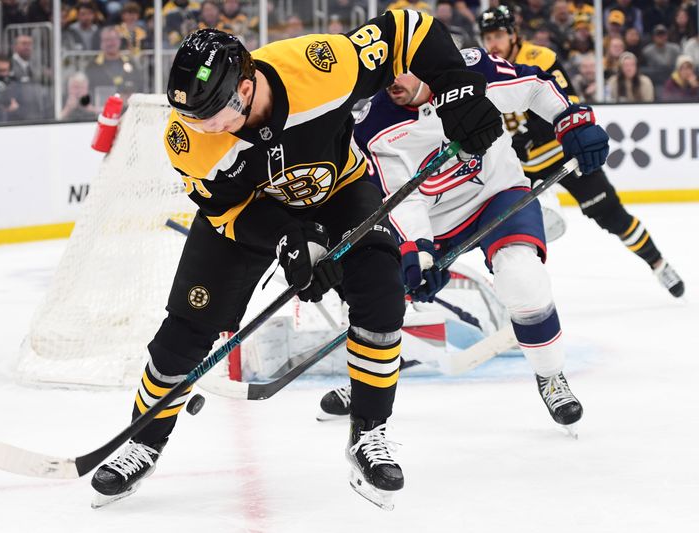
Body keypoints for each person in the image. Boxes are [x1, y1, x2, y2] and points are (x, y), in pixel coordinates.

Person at [89, 11, 504, 510]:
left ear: (245, 88)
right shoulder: (188, 139)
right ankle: (144, 440)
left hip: (340, 191)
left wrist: (457, 86)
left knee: (381, 295)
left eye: (210, 115)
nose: (199, 126)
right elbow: (225, 213)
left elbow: (408, 28)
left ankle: (368, 434)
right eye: (192, 116)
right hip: (249, 217)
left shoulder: (319, 66)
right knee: (186, 332)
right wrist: (291, 239)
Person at [317, 47, 610, 429]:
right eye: (385, 74)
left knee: (522, 278)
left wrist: (570, 120)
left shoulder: (471, 71)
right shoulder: (373, 124)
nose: (391, 83)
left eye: (401, 72)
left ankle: (550, 374)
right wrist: (418, 253)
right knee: (377, 293)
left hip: (497, 195)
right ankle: (369, 383)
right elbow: (401, 197)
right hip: (434, 224)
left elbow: (535, 86)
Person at [478, 5, 684, 297]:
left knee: (612, 215)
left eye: (498, 35)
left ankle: (659, 263)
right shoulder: (483, 68)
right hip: (521, 167)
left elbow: (567, 101)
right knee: (510, 232)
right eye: (488, 37)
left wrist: (531, 132)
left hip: (566, 155)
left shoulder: (540, 57)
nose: (493, 43)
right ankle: (517, 295)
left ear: (513, 34)